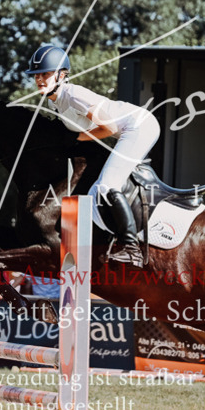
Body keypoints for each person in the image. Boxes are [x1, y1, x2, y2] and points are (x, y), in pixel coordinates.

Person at [26, 43, 160, 267]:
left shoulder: (72, 95)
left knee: (107, 186)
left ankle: (132, 248)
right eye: (36, 75)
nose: (39, 79)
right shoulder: (55, 100)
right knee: (96, 187)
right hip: (126, 131)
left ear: (61, 75)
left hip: (139, 127)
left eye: (45, 74)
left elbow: (108, 128)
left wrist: (77, 138)